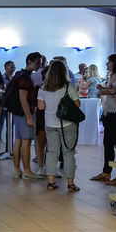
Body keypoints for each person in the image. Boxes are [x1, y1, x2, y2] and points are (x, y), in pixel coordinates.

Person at [37, 59, 82, 192]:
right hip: (67, 124)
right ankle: (70, 184)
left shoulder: (43, 87)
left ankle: (50, 182)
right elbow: (78, 104)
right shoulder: (69, 87)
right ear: (65, 72)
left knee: (51, 152)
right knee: (68, 153)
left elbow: (40, 107)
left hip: (50, 124)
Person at [91, 54, 116, 186]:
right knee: (107, 144)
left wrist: (106, 91)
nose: (107, 64)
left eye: (109, 62)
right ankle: (106, 172)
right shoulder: (112, 76)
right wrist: (104, 89)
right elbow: (109, 91)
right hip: (109, 113)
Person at [9, 52, 44, 180]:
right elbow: (23, 98)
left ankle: (17, 170)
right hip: (24, 113)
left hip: (17, 113)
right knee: (26, 141)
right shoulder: (25, 77)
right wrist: (29, 117)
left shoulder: (19, 74)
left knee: (18, 141)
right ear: (29, 62)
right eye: (37, 63)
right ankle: (27, 171)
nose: (39, 65)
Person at [0, 60, 15, 154]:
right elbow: (1, 89)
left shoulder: (15, 79)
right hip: (1, 106)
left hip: (12, 107)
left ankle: (9, 149)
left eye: (14, 67)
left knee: (10, 128)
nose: (13, 69)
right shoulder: (0, 78)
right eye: (11, 67)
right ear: (5, 68)